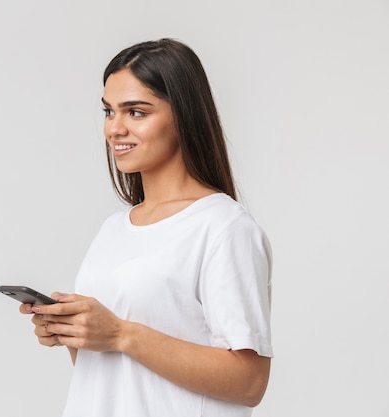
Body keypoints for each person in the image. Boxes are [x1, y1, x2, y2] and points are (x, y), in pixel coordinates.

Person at [19, 38, 273, 417]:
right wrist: (76, 334)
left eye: (136, 112)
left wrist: (121, 334)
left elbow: (249, 383)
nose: (114, 128)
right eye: (109, 111)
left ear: (183, 116)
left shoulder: (224, 228)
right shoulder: (113, 229)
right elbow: (120, 378)